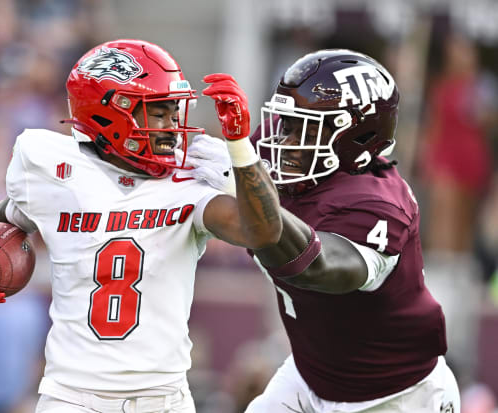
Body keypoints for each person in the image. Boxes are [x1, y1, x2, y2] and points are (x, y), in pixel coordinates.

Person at [0, 39, 282, 413]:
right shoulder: (55, 172)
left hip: (163, 399)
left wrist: (242, 150)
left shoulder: (190, 180)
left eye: (174, 113)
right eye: (157, 113)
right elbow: (7, 214)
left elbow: (263, 233)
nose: (173, 128)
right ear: (108, 114)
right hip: (72, 396)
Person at [188, 49, 461, 412]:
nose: (283, 139)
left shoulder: (376, 205)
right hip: (311, 375)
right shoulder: (291, 150)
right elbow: (229, 163)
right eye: (286, 123)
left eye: (304, 127)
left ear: (358, 136)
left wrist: (244, 175)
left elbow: (313, 267)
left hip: (396, 395)